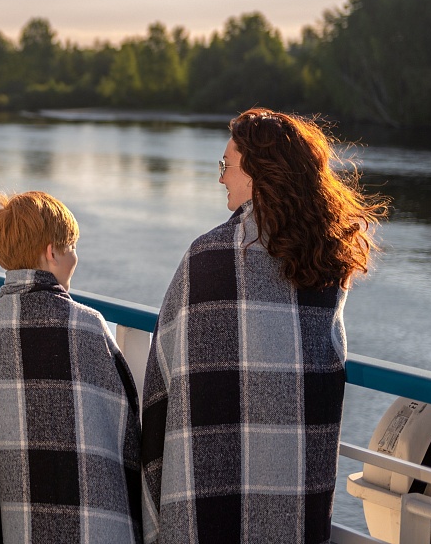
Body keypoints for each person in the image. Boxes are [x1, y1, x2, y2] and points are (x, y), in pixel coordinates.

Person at [141, 108, 388, 544]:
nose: (221, 178)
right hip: (296, 498)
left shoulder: (207, 257)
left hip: (206, 501)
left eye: (226, 166)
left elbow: (161, 382)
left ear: (256, 173)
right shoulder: (327, 262)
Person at [0, 190, 143, 544]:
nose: (75, 257)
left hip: (15, 522)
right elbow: (126, 429)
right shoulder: (87, 325)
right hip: (92, 525)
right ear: (52, 253)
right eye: (71, 247)